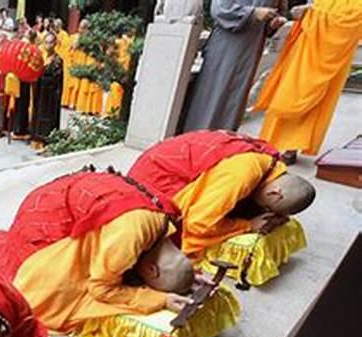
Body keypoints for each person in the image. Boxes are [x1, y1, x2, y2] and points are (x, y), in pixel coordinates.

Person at [0, 171, 195, 334]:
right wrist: (160, 299)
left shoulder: (166, 217)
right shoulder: (128, 237)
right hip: (44, 216)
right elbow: (101, 290)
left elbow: (171, 256)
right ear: (152, 269)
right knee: (49, 296)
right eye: (146, 280)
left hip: (79, 188)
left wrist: (185, 272)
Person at [128, 130, 316, 258]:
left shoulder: (271, 160)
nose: (264, 209)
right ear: (276, 193)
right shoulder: (239, 175)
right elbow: (198, 224)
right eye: (268, 207)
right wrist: (247, 225)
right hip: (152, 180)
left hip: (170, 158)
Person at [255, 0, 362, 161]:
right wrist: (307, 11)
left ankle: (291, 146)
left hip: (324, 50)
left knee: (310, 96)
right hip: (305, 44)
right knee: (289, 90)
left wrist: (313, 14)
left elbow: (352, 21)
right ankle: (270, 142)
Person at [181, 0, 286, 132]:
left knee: (234, 103)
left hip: (251, 49)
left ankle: (222, 143)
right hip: (227, 45)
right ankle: (197, 139)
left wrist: (273, 24)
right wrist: (253, 12)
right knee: (213, 97)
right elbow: (219, 9)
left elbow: (274, 17)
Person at [30, 33, 63, 151]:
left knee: (48, 117)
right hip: (39, 92)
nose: (48, 45)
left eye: (51, 42)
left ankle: (46, 141)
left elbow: (57, 79)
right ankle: (36, 138)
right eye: (46, 42)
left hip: (50, 95)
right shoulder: (40, 57)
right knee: (37, 113)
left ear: (55, 44)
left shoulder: (58, 60)